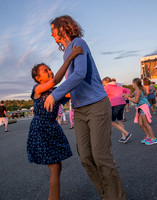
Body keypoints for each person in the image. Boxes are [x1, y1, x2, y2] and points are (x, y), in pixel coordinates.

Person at [44, 15, 126, 200]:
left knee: (101, 156)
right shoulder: (66, 52)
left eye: (53, 29)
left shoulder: (79, 43)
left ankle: (117, 197)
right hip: (79, 111)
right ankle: (107, 195)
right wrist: (58, 99)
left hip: (97, 105)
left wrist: (54, 94)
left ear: (63, 27)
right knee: (86, 157)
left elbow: (79, 74)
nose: (51, 34)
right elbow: (73, 86)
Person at [27, 45, 83, 200]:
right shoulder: (37, 89)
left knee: (57, 166)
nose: (50, 71)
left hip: (52, 126)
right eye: (46, 71)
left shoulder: (55, 91)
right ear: (38, 78)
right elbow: (57, 79)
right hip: (41, 128)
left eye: (49, 69)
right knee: (55, 166)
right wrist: (70, 57)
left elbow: (73, 91)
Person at [123, 78, 157, 145]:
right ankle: (148, 136)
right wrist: (125, 95)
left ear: (135, 83)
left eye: (132, 83)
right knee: (141, 124)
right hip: (140, 108)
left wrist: (128, 98)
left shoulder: (138, 91)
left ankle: (154, 139)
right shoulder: (136, 91)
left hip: (143, 107)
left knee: (146, 124)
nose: (132, 84)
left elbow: (136, 101)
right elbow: (131, 95)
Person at [102, 77, 132, 143]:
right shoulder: (118, 86)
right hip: (122, 104)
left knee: (112, 122)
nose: (103, 85)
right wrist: (126, 94)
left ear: (106, 82)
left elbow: (101, 94)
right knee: (119, 121)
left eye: (103, 83)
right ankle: (124, 137)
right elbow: (127, 90)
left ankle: (126, 133)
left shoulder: (107, 87)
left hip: (114, 105)